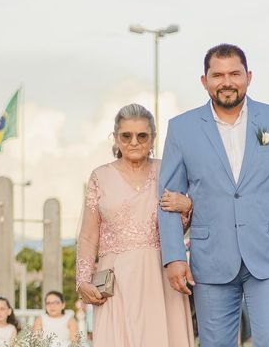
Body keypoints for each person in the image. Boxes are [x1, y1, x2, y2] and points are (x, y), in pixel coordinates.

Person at [159, 43, 269, 346]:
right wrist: (174, 257)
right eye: (217, 75)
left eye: (234, 73)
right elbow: (168, 200)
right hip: (210, 259)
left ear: (249, 77)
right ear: (204, 81)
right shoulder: (181, 128)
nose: (226, 82)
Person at [76, 104, 194, 346]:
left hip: (162, 276)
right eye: (126, 136)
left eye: (142, 135)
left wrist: (188, 205)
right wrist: (82, 280)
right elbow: (88, 236)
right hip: (116, 280)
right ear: (116, 138)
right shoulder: (100, 176)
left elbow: (184, 223)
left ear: (153, 138)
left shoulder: (168, 171)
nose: (134, 142)